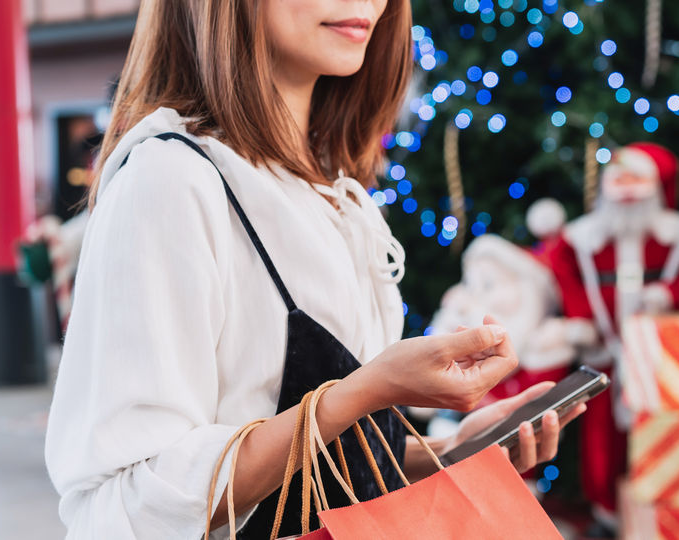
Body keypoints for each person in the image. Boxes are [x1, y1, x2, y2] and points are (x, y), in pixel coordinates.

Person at [44, 1, 583, 538]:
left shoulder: (334, 189)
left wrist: (451, 449)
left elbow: (321, 478)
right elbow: (127, 504)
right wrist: (370, 389)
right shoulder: (172, 180)